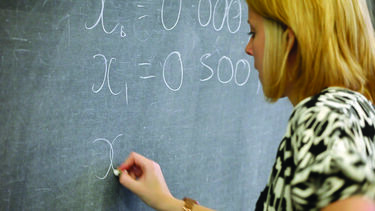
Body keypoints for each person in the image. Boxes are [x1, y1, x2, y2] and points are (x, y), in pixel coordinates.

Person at [117, 0, 375, 210]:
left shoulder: (323, 116)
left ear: (288, 40)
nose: (248, 48)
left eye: (254, 32)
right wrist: (168, 202)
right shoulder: (355, 108)